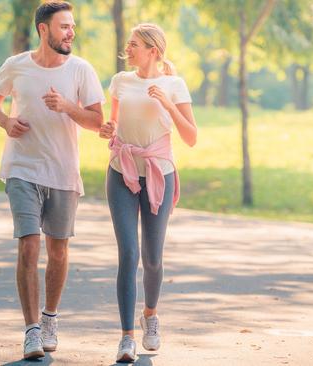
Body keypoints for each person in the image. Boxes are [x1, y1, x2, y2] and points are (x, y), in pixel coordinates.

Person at [0, 1, 104, 360]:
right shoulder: (16, 66)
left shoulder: (81, 70)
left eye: (72, 26)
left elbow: (98, 121)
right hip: (22, 169)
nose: (71, 33)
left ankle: (50, 318)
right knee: (28, 244)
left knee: (59, 250)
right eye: (64, 26)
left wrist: (67, 107)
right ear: (44, 30)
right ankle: (32, 329)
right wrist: (5, 122)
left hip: (63, 172)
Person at [98, 23, 197, 363]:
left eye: (135, 44)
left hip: (160, 173)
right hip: (121, 171)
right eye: (129, 43)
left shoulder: (174, 85)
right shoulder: (120, 81)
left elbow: (191, 136)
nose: (129, 48)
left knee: (152, 258)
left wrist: (168, 104)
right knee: (129, 253)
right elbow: (110, 126)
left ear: (153, 50)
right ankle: (126, 337)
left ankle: (150, 317)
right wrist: (107, 129)